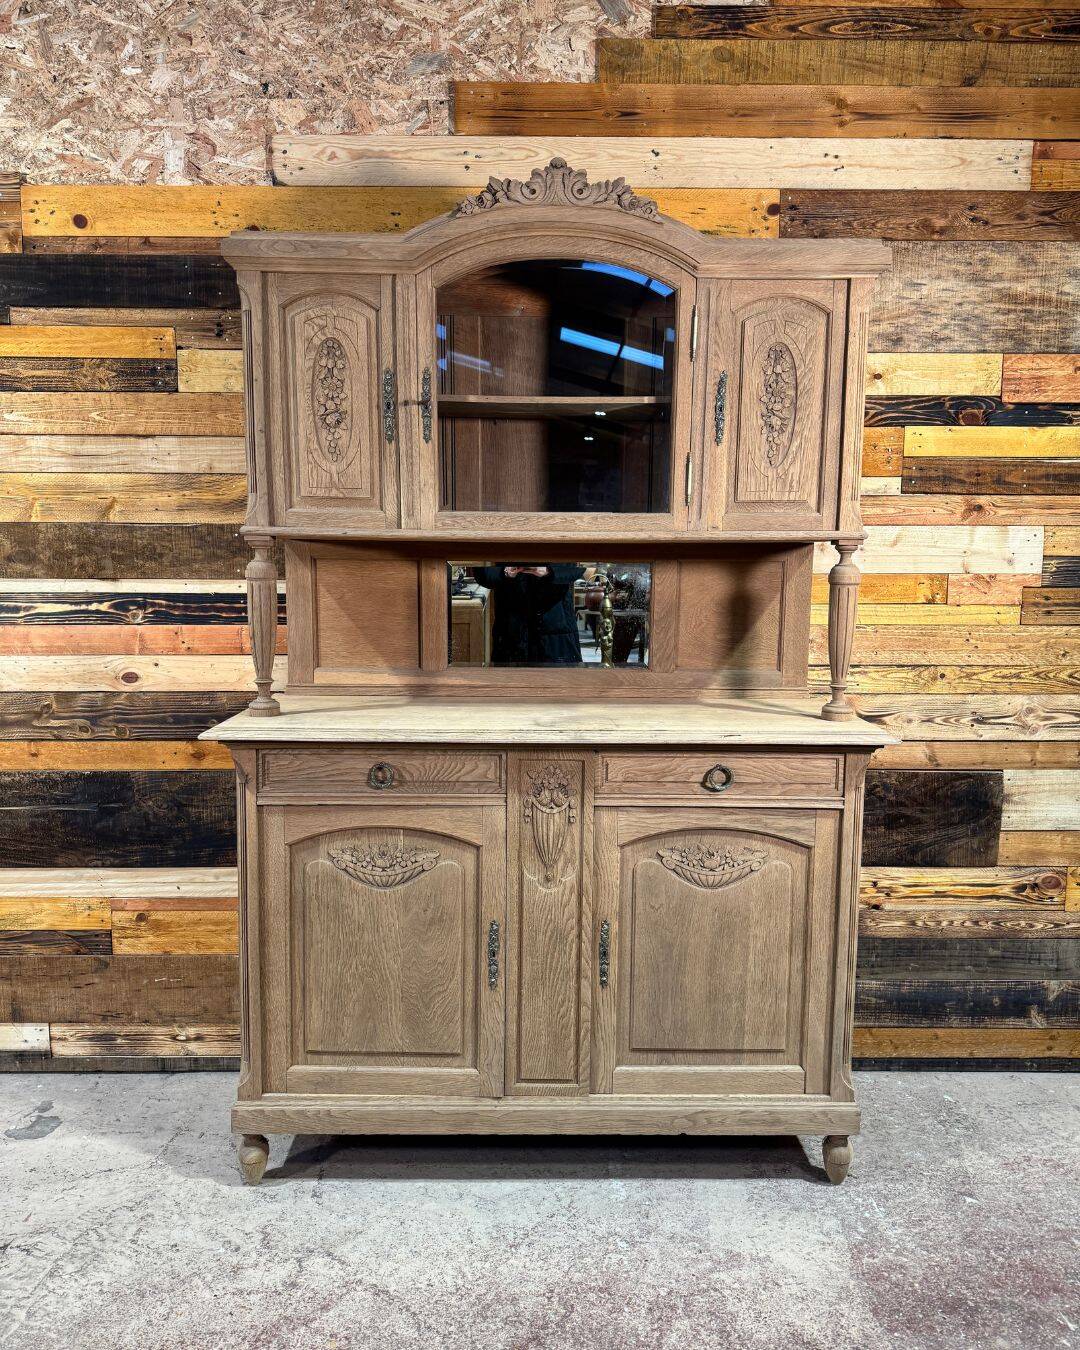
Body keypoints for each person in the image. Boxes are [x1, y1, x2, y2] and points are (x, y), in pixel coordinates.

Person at [471, 564, 586, 665]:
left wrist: (549, 571)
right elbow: (482, 573)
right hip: (511, 624)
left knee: (559, 684)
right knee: (510, 685)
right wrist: (504, 571)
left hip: (555, 620)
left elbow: (578, 568)